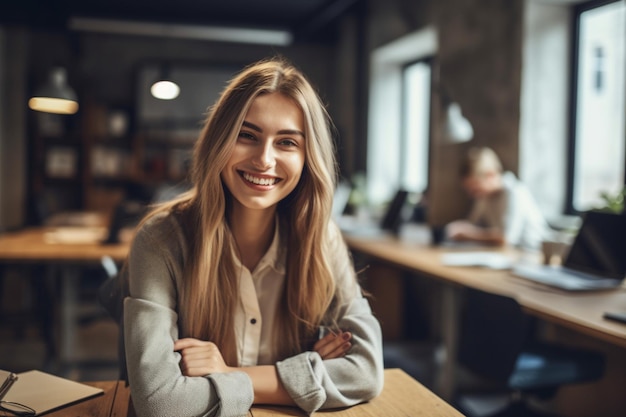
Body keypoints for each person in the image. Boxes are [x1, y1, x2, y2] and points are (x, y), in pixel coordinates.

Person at [121, 58, 384, 417]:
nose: (264, 159)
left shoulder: (322, 239)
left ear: (308, 157)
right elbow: (161, 402)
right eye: (247, 136)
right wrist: (303, 373)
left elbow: (367, 372)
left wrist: (229, 374)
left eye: (287, 142)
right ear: (219, 139)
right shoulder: (161, 239)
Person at [445, 146, 548, 249]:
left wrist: (467, 235)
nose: (473, 194)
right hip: (509, 254)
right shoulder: (485, 197)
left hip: (532, 253)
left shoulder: (515, 192)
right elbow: (473, 225)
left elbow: (506, 239)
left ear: (490, 175)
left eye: (475, 188)